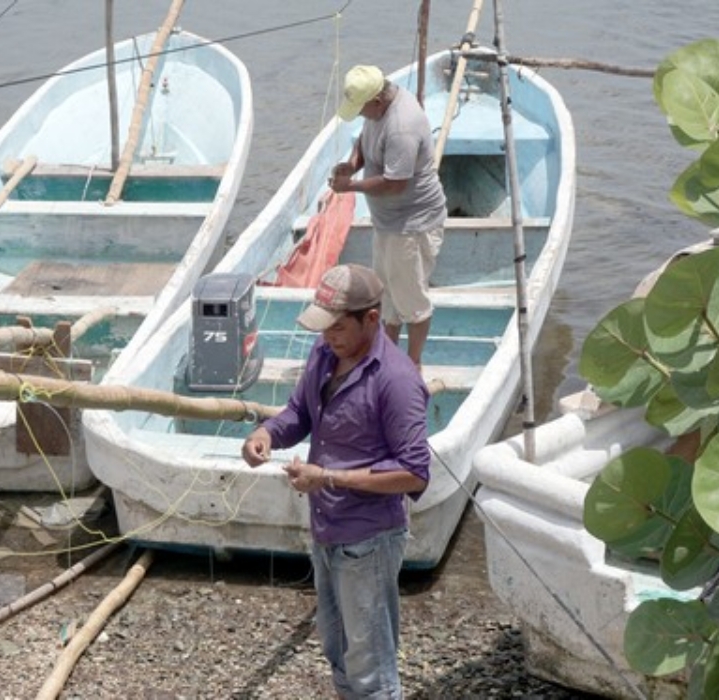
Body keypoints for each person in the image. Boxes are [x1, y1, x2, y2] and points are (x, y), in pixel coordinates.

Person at [240, 263, 430, 699]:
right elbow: (299, 413)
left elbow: (414, 473)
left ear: (372, 319)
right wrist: (265, 433)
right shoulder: (324, 355)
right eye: (323, 328)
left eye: (338, 328)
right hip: (326, 527)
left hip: (369, 538)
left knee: (370, 664)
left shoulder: (397, 380)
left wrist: (326, 476)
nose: (328, 337)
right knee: (338, 648)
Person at [328, 64, 446, 370]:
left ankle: (412, 365)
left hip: (411, 224)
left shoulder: (401, 126)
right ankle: (387, 357)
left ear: (377, 100)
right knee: (387, 296)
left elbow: (396, 183)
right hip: (387, 223)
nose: (361, 114)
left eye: (361, 109)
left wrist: (350, 186)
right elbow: (363, 141)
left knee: (412, 301)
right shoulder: (378, 111)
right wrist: (350, 166)